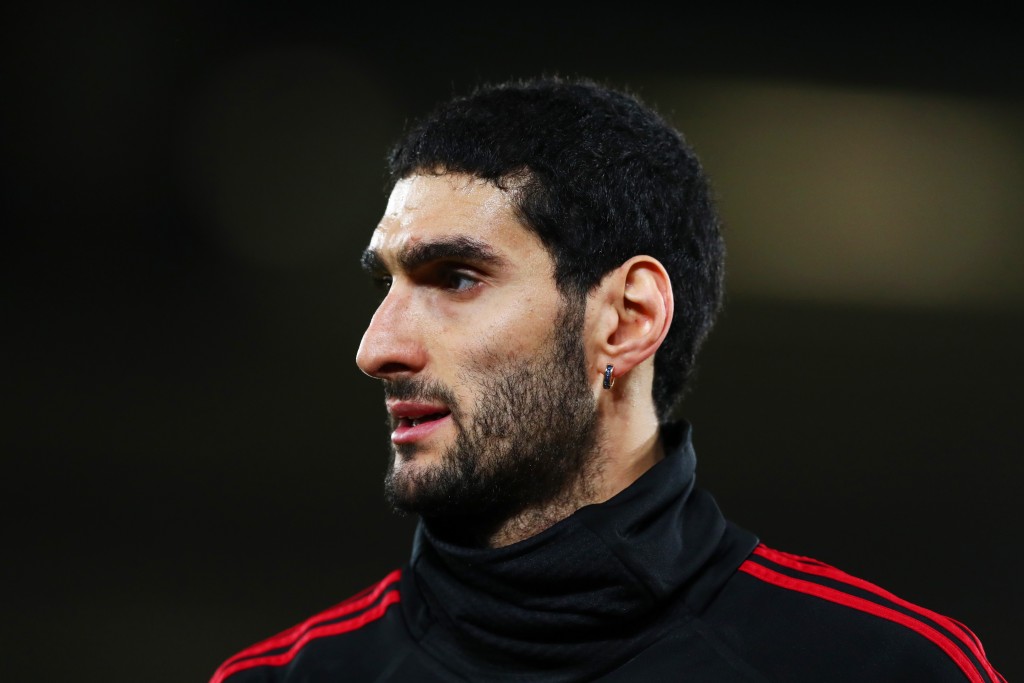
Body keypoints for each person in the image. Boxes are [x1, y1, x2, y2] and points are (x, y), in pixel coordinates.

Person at [209, 75, 1004, 682]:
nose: (376, 347)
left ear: (625, 320)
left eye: (455, 278)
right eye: (386, 284)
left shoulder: (887, 667)